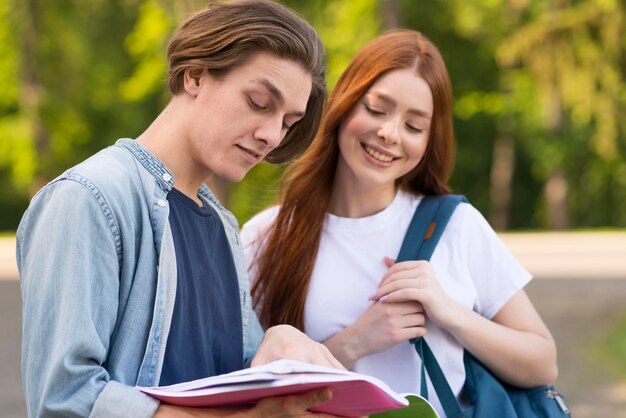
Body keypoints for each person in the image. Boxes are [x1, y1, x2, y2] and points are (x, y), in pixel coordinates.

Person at [16, 1, 344, 417]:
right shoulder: (88, 198)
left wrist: (278, 343)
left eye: (288, 122)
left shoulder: (224, 227)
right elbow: (65, 399)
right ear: (195, 75)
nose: (271, 135)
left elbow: (229, 377)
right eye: (260, 102)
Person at [241, 30, 559, 417]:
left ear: (429, 140)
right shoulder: (265, 236)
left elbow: (543, 362)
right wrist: (356, 342)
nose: (390, 134)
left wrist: (450, 313)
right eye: (377, 109)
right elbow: (247, 387)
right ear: (344, 105)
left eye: (414, 126)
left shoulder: (456, 226)